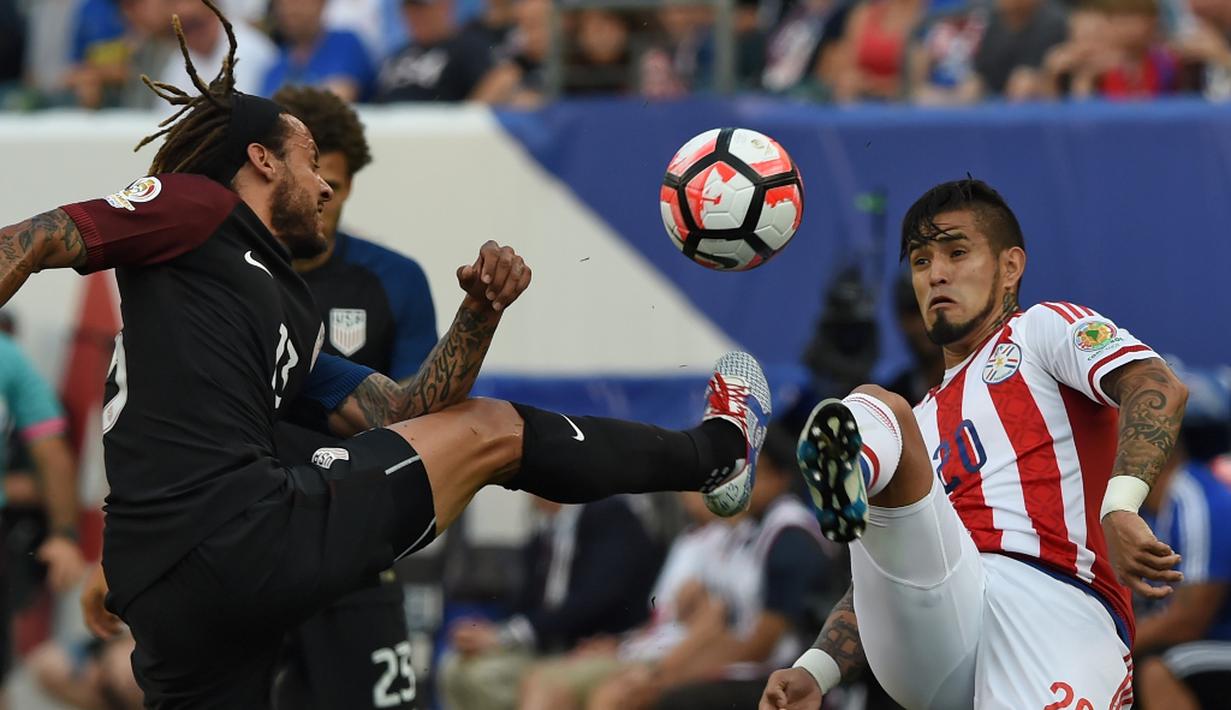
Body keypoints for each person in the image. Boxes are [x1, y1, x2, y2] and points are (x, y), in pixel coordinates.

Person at [0, 2, 769, 706]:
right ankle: (716, 452)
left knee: (462, 427)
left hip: (164, 585)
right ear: (263, 161)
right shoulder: (198, 204)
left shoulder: (271, 306)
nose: (325, 189)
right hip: (241, 532)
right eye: (308, 162)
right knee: (493, 430)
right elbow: (35, 239)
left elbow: (405, 410)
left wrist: (479, 314)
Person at [759, 178, 1188, 710]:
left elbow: (1156, 382)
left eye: (957, 252)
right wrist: (816, 669)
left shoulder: (1041, 330)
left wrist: (1121, 504)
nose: (936, 273)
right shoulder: (916, 421)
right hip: (938, 616)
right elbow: (898, 568)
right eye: (920, 261)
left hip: (1055, 604)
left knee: (882, 420)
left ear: (1011, 266)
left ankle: (846, 465)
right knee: (876, 408)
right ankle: (848, 469)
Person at [266, 85, 434, 710]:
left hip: (351, 541)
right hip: (247, 540)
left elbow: (419, 417)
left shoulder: (393, 279)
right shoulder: (228, 280)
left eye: (334, 179)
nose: (321, 196)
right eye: (309, 176)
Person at [438, 494, 662, 710]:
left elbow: (593, 599)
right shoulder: (544, 533)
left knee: (539, 681)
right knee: (456, 669)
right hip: (546, 646)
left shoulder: (610, 515)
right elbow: (524, 603)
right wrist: (490, 632)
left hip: (595, 645)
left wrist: (505, 635)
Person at [1134, 364, 1231, 710]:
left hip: (1219, 641)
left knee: (1159, 670)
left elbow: (1190, 620)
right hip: (1200, 642)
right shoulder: (1136, 510)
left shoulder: (1195, 497)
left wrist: (1105, 646)